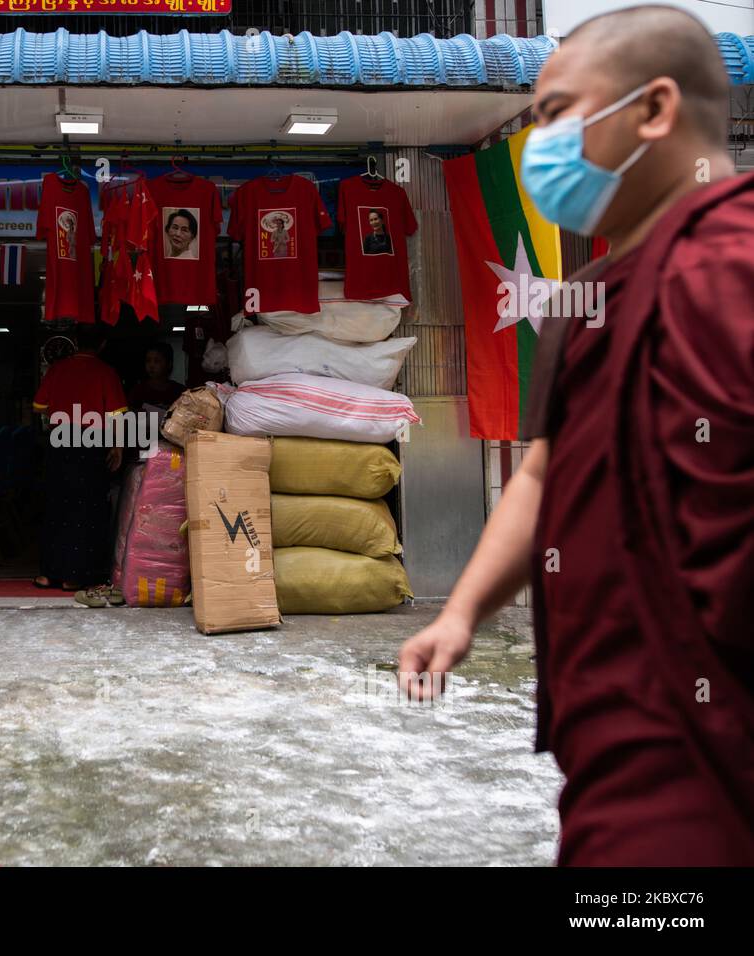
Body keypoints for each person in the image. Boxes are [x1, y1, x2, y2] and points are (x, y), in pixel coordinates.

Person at [398, 5, 754, 865]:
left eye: (556, 112)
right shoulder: (587, 302)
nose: (538, 139)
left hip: (711, 752)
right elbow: (546, 471)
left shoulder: (731, 267)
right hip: (612, 741)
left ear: (655, 110)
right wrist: (464, 610)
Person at [32, 323, 126, 591]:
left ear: (74, 340)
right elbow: (117, 414)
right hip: (91, 443)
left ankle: (48, 574)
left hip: (59, 440)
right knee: (88, 508)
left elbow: (39, 406)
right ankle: (75, 576)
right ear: (103, 344)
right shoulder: (106, 373)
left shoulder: (57, 369)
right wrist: (117, 446)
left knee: (56, 505)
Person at [127, 341, 184, 411]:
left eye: (157, 361)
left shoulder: (179, 391)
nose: (151, 366)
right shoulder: (138, 391)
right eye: (148, 361)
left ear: (169, 364)